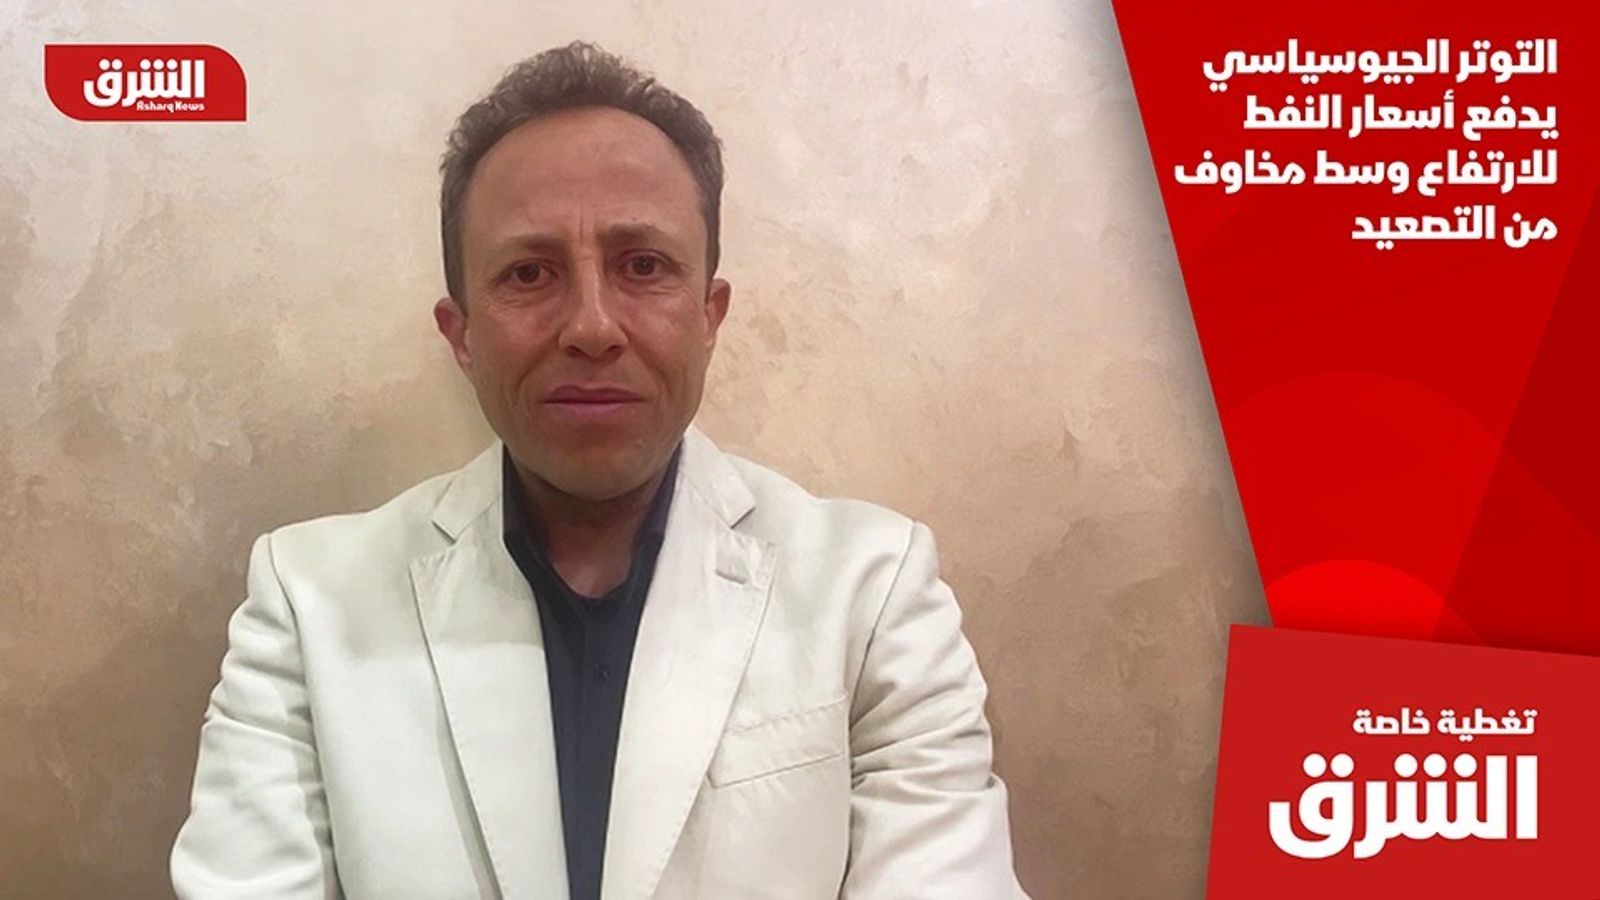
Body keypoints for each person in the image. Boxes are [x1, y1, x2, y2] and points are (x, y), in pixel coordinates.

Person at [170, 40, 1025, 900]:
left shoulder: (872, 593)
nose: (591, 327)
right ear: (461, 336)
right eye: (529, 273)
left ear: (708, 315)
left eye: (642, 266)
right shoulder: (309, 604)